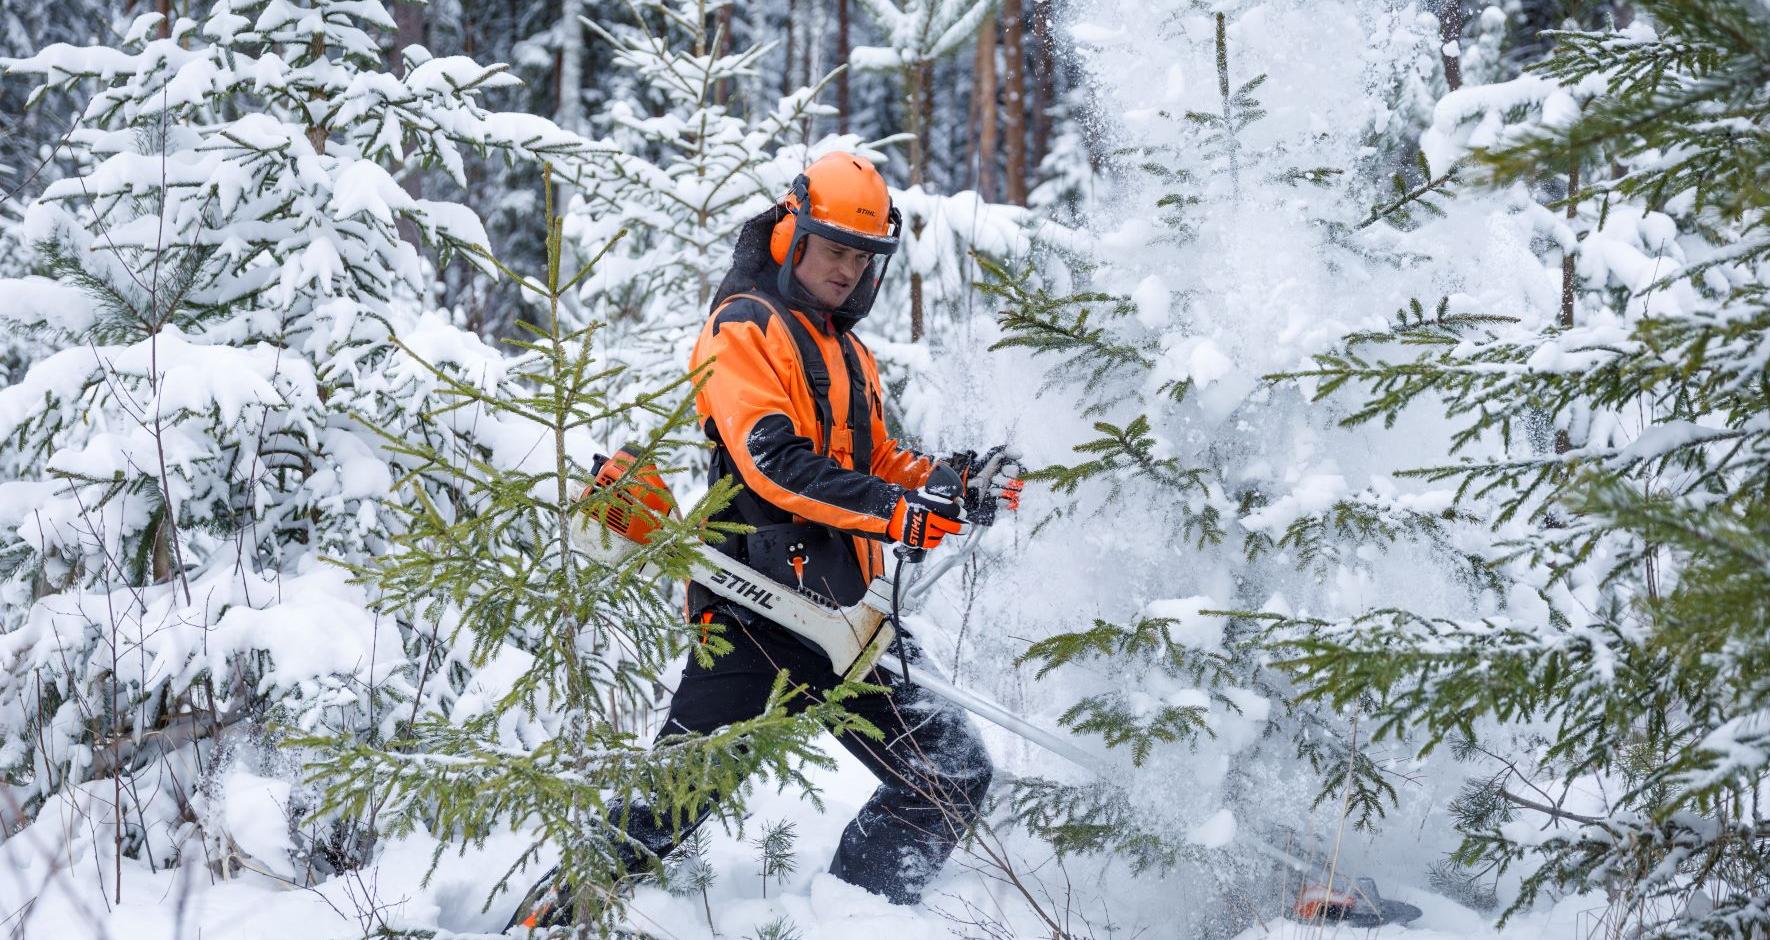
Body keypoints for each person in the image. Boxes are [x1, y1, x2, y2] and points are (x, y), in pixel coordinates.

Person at [509, 152, 1023, 929]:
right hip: (755, 614)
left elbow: (878, 462)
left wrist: (951, 482)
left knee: (950, 769)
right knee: (668, 805)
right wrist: (894, 510)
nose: (848, 270)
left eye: (862, 257)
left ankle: (861, 915)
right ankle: (548, 920)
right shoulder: (745, 327)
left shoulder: (847, 352)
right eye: (835, 250)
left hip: (844, 619)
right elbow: (775, 464)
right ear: (793, 233)